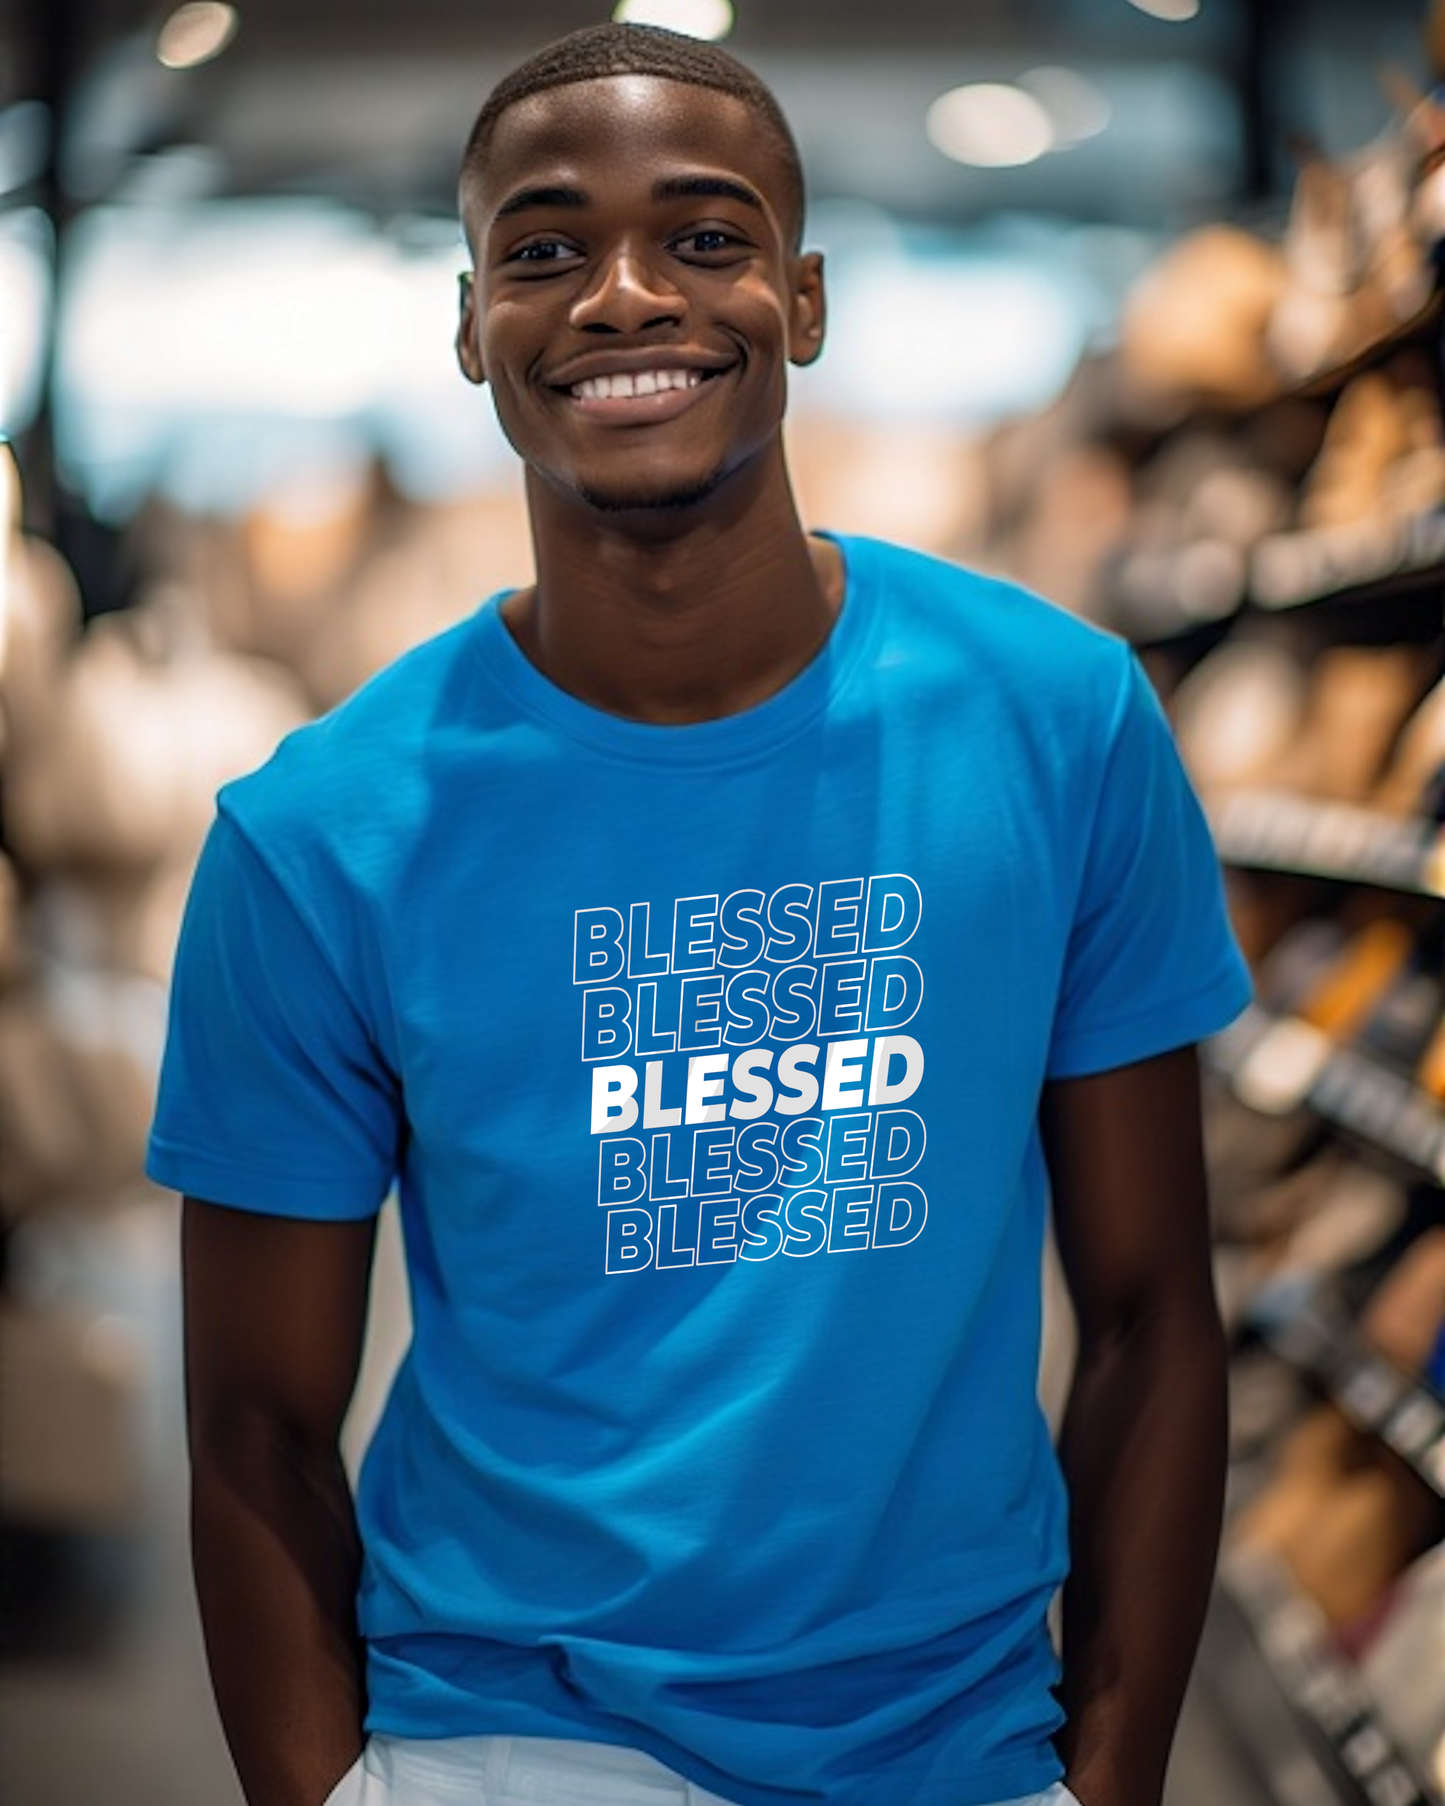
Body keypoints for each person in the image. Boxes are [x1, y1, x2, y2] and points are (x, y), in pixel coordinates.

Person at [148, 22, 1253, 1806]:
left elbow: (1152, 1315)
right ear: (472, 328)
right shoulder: (317, 839)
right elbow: (252, 1427)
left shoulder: (1058, 726)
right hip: (505, 1739)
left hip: (960, 1746)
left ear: (802, 300)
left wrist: (1108, 1776)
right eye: (545, 249)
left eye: (706, 236)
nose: (624, 296)